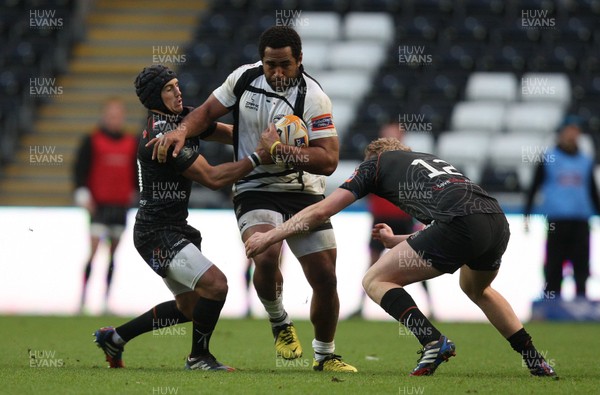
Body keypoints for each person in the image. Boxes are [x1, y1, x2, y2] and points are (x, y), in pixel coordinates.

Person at [245, 136, 558, 378]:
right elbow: (448, 223)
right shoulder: (428, 159)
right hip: (496, 221)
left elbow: (323, 210)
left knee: (374, 279)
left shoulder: (375, 164)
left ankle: (432, 341)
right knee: (478, 290)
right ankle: (534, 359)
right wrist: (396, 240)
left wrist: (271, 235)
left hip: (460, 225)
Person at [148, 26, 357, 372]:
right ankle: (279, 322)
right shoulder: (243, 79)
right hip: (254, 185)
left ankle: (325, 355)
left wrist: (282, 151)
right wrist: (183, 129)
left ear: (300, 60)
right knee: (265, 251)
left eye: (284, 65)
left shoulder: (315, 98)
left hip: (304, 191)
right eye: (270, 64)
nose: (276, 72)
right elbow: (206, 113)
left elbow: (329, 159)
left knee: (324, 277)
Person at [93, 64, 269, 371]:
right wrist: (258, 157)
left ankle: (116, 337)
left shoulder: (181, 120)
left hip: (174, 227)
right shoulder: (160, 137)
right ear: (154, 99)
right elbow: (213, 178)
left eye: (177, 85)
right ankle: (199, 357)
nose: (178, 91)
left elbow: (229, 134)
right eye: (169, 89)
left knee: (190, 308)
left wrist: (272, 140)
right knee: (216, 286)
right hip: (155, 233)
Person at [352, 122, 433, 319]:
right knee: (372, 263)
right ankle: (361, 306)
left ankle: (430, 308)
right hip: (380, 220)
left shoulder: (408, 165)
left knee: (416, 264)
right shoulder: (372, 164)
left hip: (402, 220)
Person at [73, 97, 138, 314]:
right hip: (98, 206)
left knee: (113, 256)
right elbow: (79, 171)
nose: (115, 119)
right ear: (104, 116)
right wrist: (83, 194)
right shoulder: (92, 141)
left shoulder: (131, 143)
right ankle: (82, 299)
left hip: (120, 207)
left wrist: (135, 193)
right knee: (93, 252)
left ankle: (106, 300)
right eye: (111, 115)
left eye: (118, 115)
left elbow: (136, 174)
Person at [525, 115, 599, 300]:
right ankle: (551, 304)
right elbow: (535, 186)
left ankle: (581, 303)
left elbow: (591, 190)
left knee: (581, 265)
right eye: (569, 131)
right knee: (554, 264)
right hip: (557, 221)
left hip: (581, 220)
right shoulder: (549, 158)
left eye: (575, 131)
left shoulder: (585, 160)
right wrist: (527, 214)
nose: (572, 135)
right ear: (561, 133)